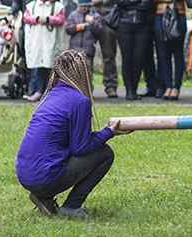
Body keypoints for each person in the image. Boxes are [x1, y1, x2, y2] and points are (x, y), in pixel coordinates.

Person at [15, 50, 132, 218]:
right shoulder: (79, 101)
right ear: (83, 71)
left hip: (25, 175)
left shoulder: (49, 95)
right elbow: (80, 148)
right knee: (105, 154)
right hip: (44, 177)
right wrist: (109, 132)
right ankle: (71, 207)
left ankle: (44, 198)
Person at [70, 0, 121, 98]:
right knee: (83, 54)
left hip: (105, 15)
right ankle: (83, 87)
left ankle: (111, 86)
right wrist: (83, 2)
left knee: (108, 53)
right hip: (83, 16)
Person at [151, 0, 189, 101]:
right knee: (163, 54)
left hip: (177, 16)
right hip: (160, 17)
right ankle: (167, 86)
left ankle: (176, 87)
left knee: (177, 53)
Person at [115, 0, 153, 101]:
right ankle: (128, 90)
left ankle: (135, 89)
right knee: (127, 59)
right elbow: (119, 1)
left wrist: (129, 0)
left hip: (142, 26)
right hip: (124, 25)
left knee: (138, 59)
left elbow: (147, 3)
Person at [22, 0, 65, 102]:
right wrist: (36, 19)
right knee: (40, 67)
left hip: (50, 41)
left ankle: (52, 92)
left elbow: (60, 20)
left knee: (51, 67)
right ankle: (40, 91)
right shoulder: (32, 6)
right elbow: (26, 18)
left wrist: (47, 19)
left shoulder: (57, 6)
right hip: (38, 42)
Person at [141, 0, 163, 98]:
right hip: (143, 18)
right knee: (145, 53)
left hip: (161, 16)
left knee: (161, 53)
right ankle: (151, 85)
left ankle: (161, 85)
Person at [65, 0, 102, 74]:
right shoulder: (73, 15)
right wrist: (77, 27)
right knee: (74, 73)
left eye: (86, 6)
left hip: (88, 50)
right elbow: (67, 29)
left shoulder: (95, 16)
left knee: (87, 73)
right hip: (74, 50)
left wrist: (92, 22)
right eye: (82, 6)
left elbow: (99, 31)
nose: (84, 8)